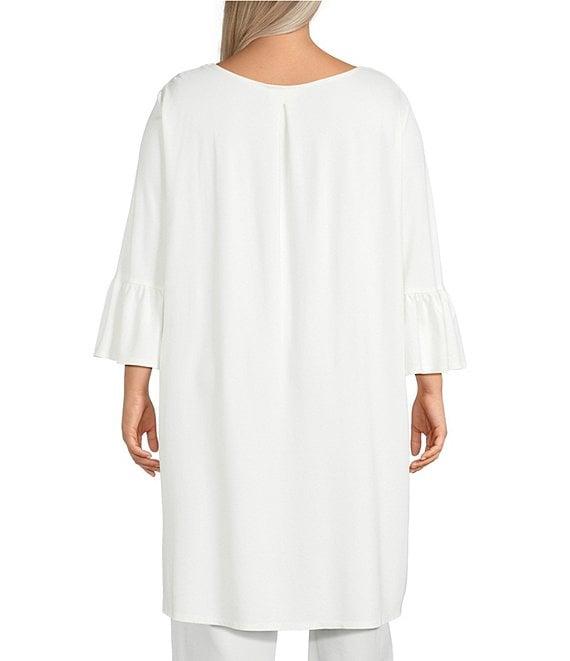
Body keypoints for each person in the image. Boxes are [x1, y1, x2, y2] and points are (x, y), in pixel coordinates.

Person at [94, 2, 466, 659]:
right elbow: (417, 261)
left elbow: (146, 256)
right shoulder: (381, 105)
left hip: (218, 397)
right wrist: (429, 383)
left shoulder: (185, 103)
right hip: (354, 396)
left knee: (217, 587)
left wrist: (136, 383)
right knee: (355, 595)